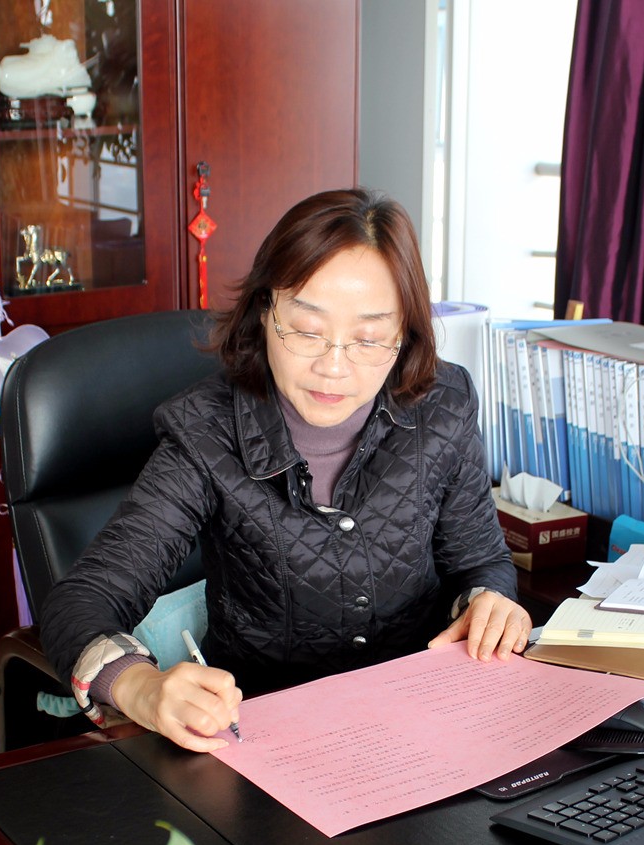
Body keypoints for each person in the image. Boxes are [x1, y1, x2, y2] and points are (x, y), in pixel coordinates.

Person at [40, 188, 530, 752]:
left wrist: (489, 602)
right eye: (306, 329)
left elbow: (481, 562)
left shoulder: (443, 403)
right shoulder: (205, 432)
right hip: (265, 738)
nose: (334, 366)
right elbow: (84, 599)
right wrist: (142, 688)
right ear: (264, 312)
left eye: (369, 338)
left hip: (423, 722)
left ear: (404, 336)